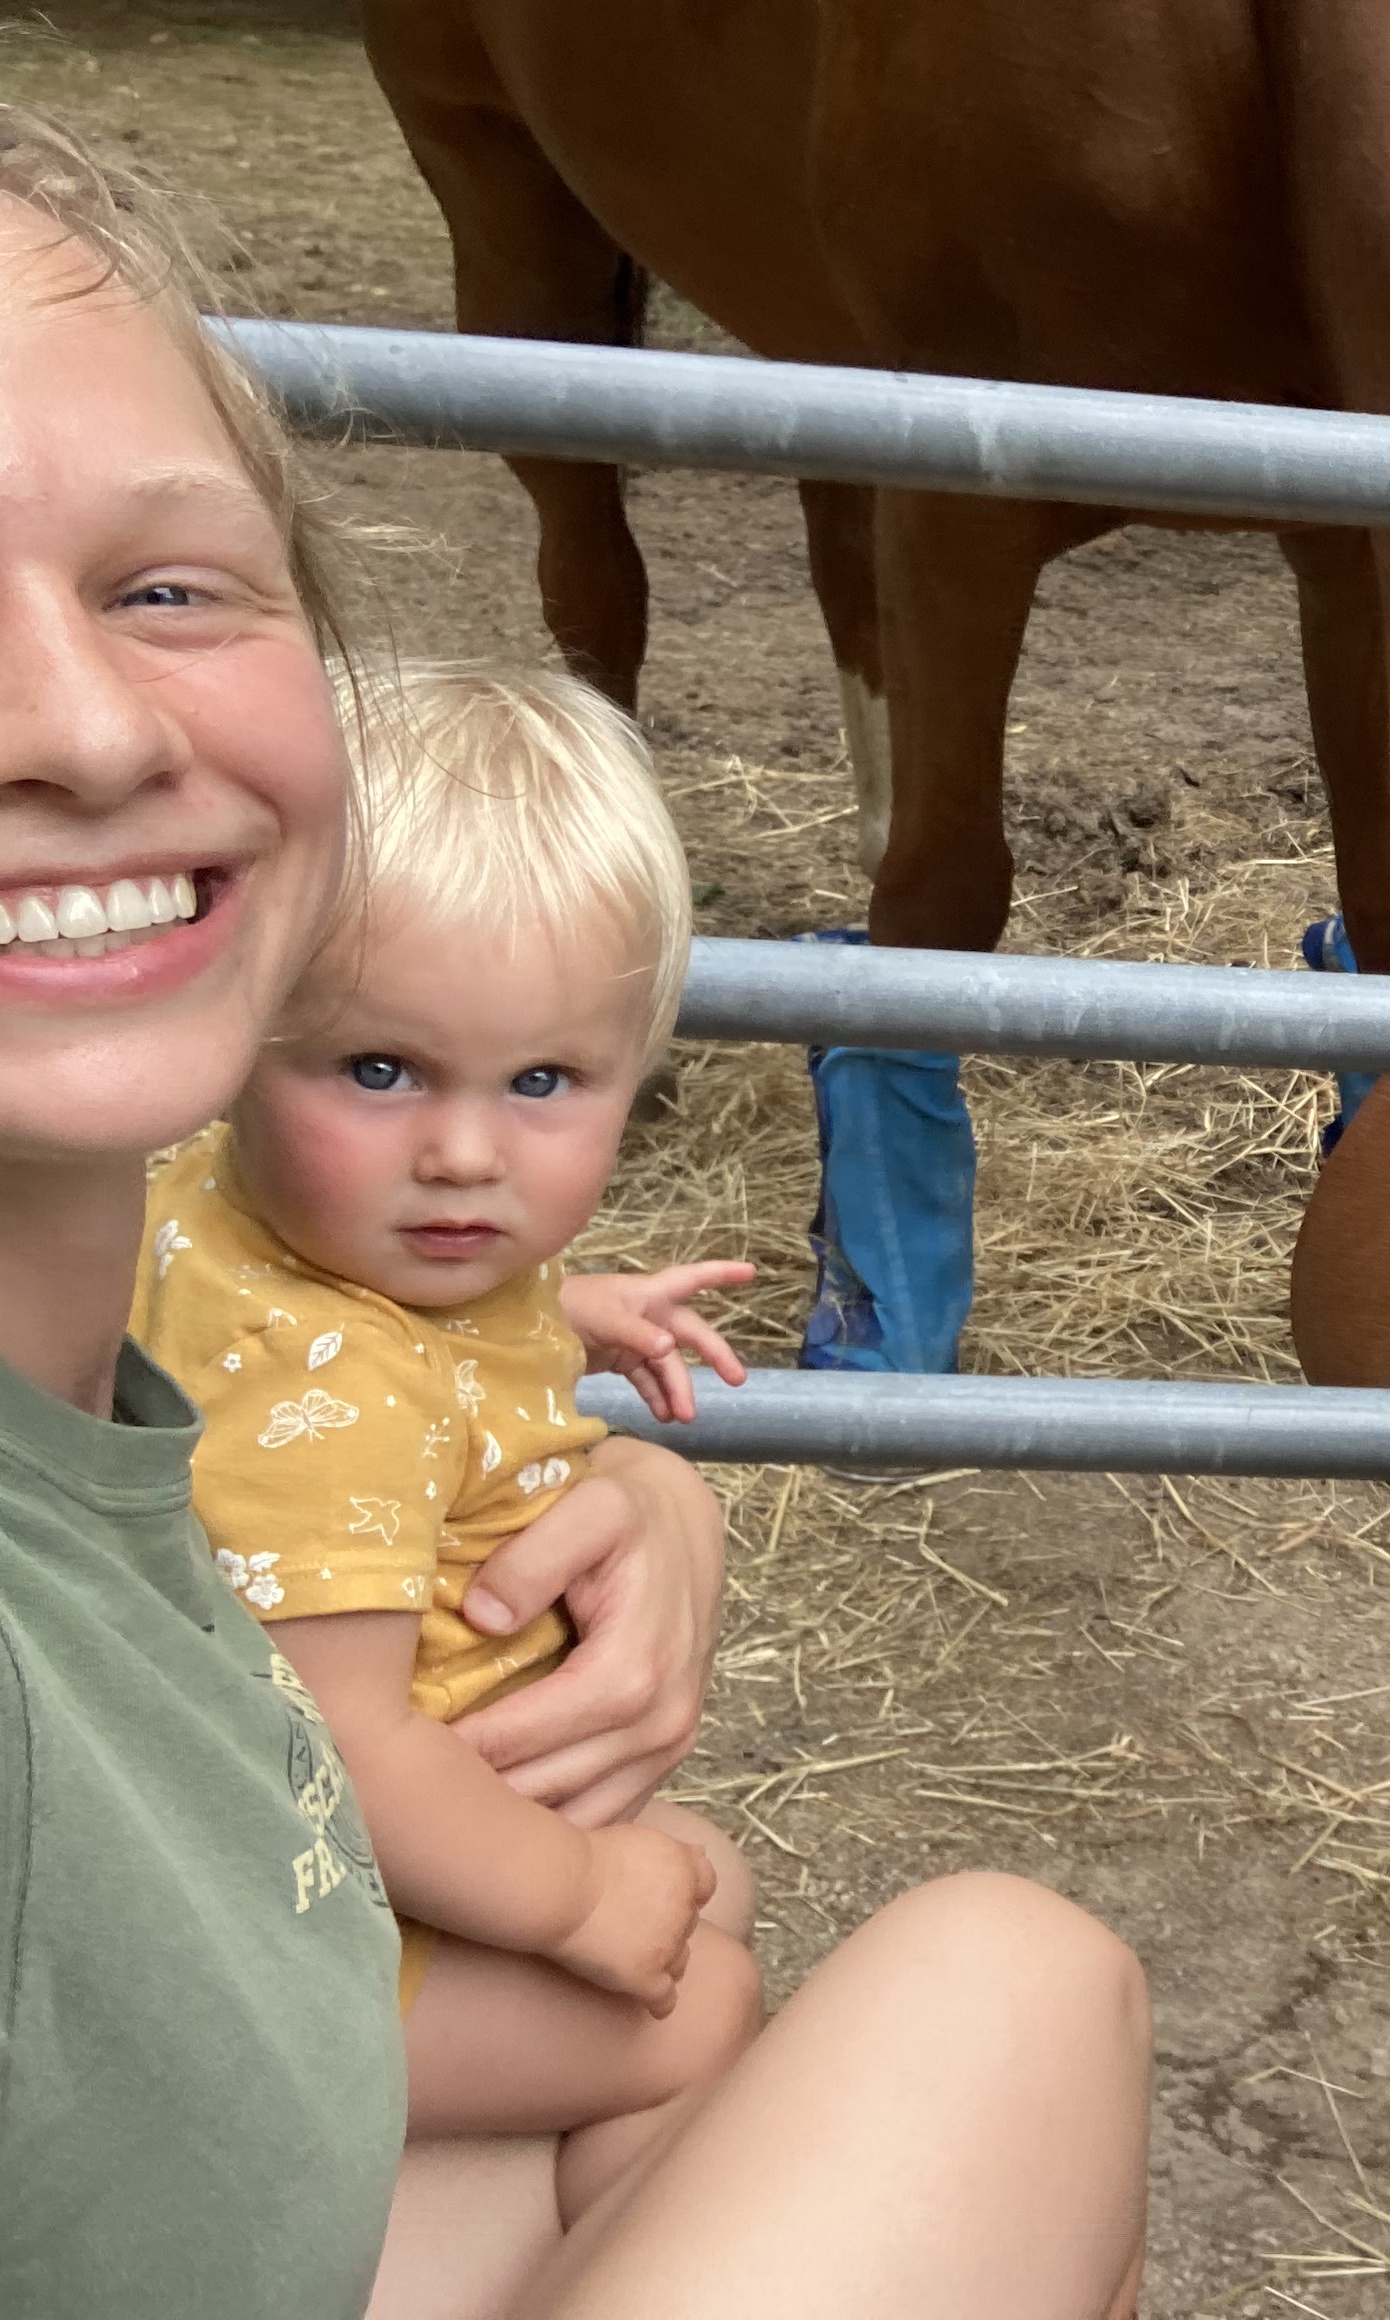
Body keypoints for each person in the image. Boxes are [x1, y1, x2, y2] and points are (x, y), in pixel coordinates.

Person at [0, 107, 1147, 2320]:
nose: (83, 727)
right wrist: (575, 1881)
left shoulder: (178, 1243)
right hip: (377, 1937)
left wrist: (606, 1432)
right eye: (380, 1069)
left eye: (165, 586)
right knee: (967, 1979)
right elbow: (350, 1669)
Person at [134, 662, 772, 2226]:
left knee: (710, 1881)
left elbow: (427, 1302)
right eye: (380, 1070)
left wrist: (576, 1307)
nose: (466, 1158)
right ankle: (580, 2268)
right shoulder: (334, 1404)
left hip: (332, 1882)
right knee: (703, 1998)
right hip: (310, 1938)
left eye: (543, 1080)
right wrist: (575, 1897)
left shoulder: (232, 1211)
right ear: (244, 1022)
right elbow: (348, 1748)